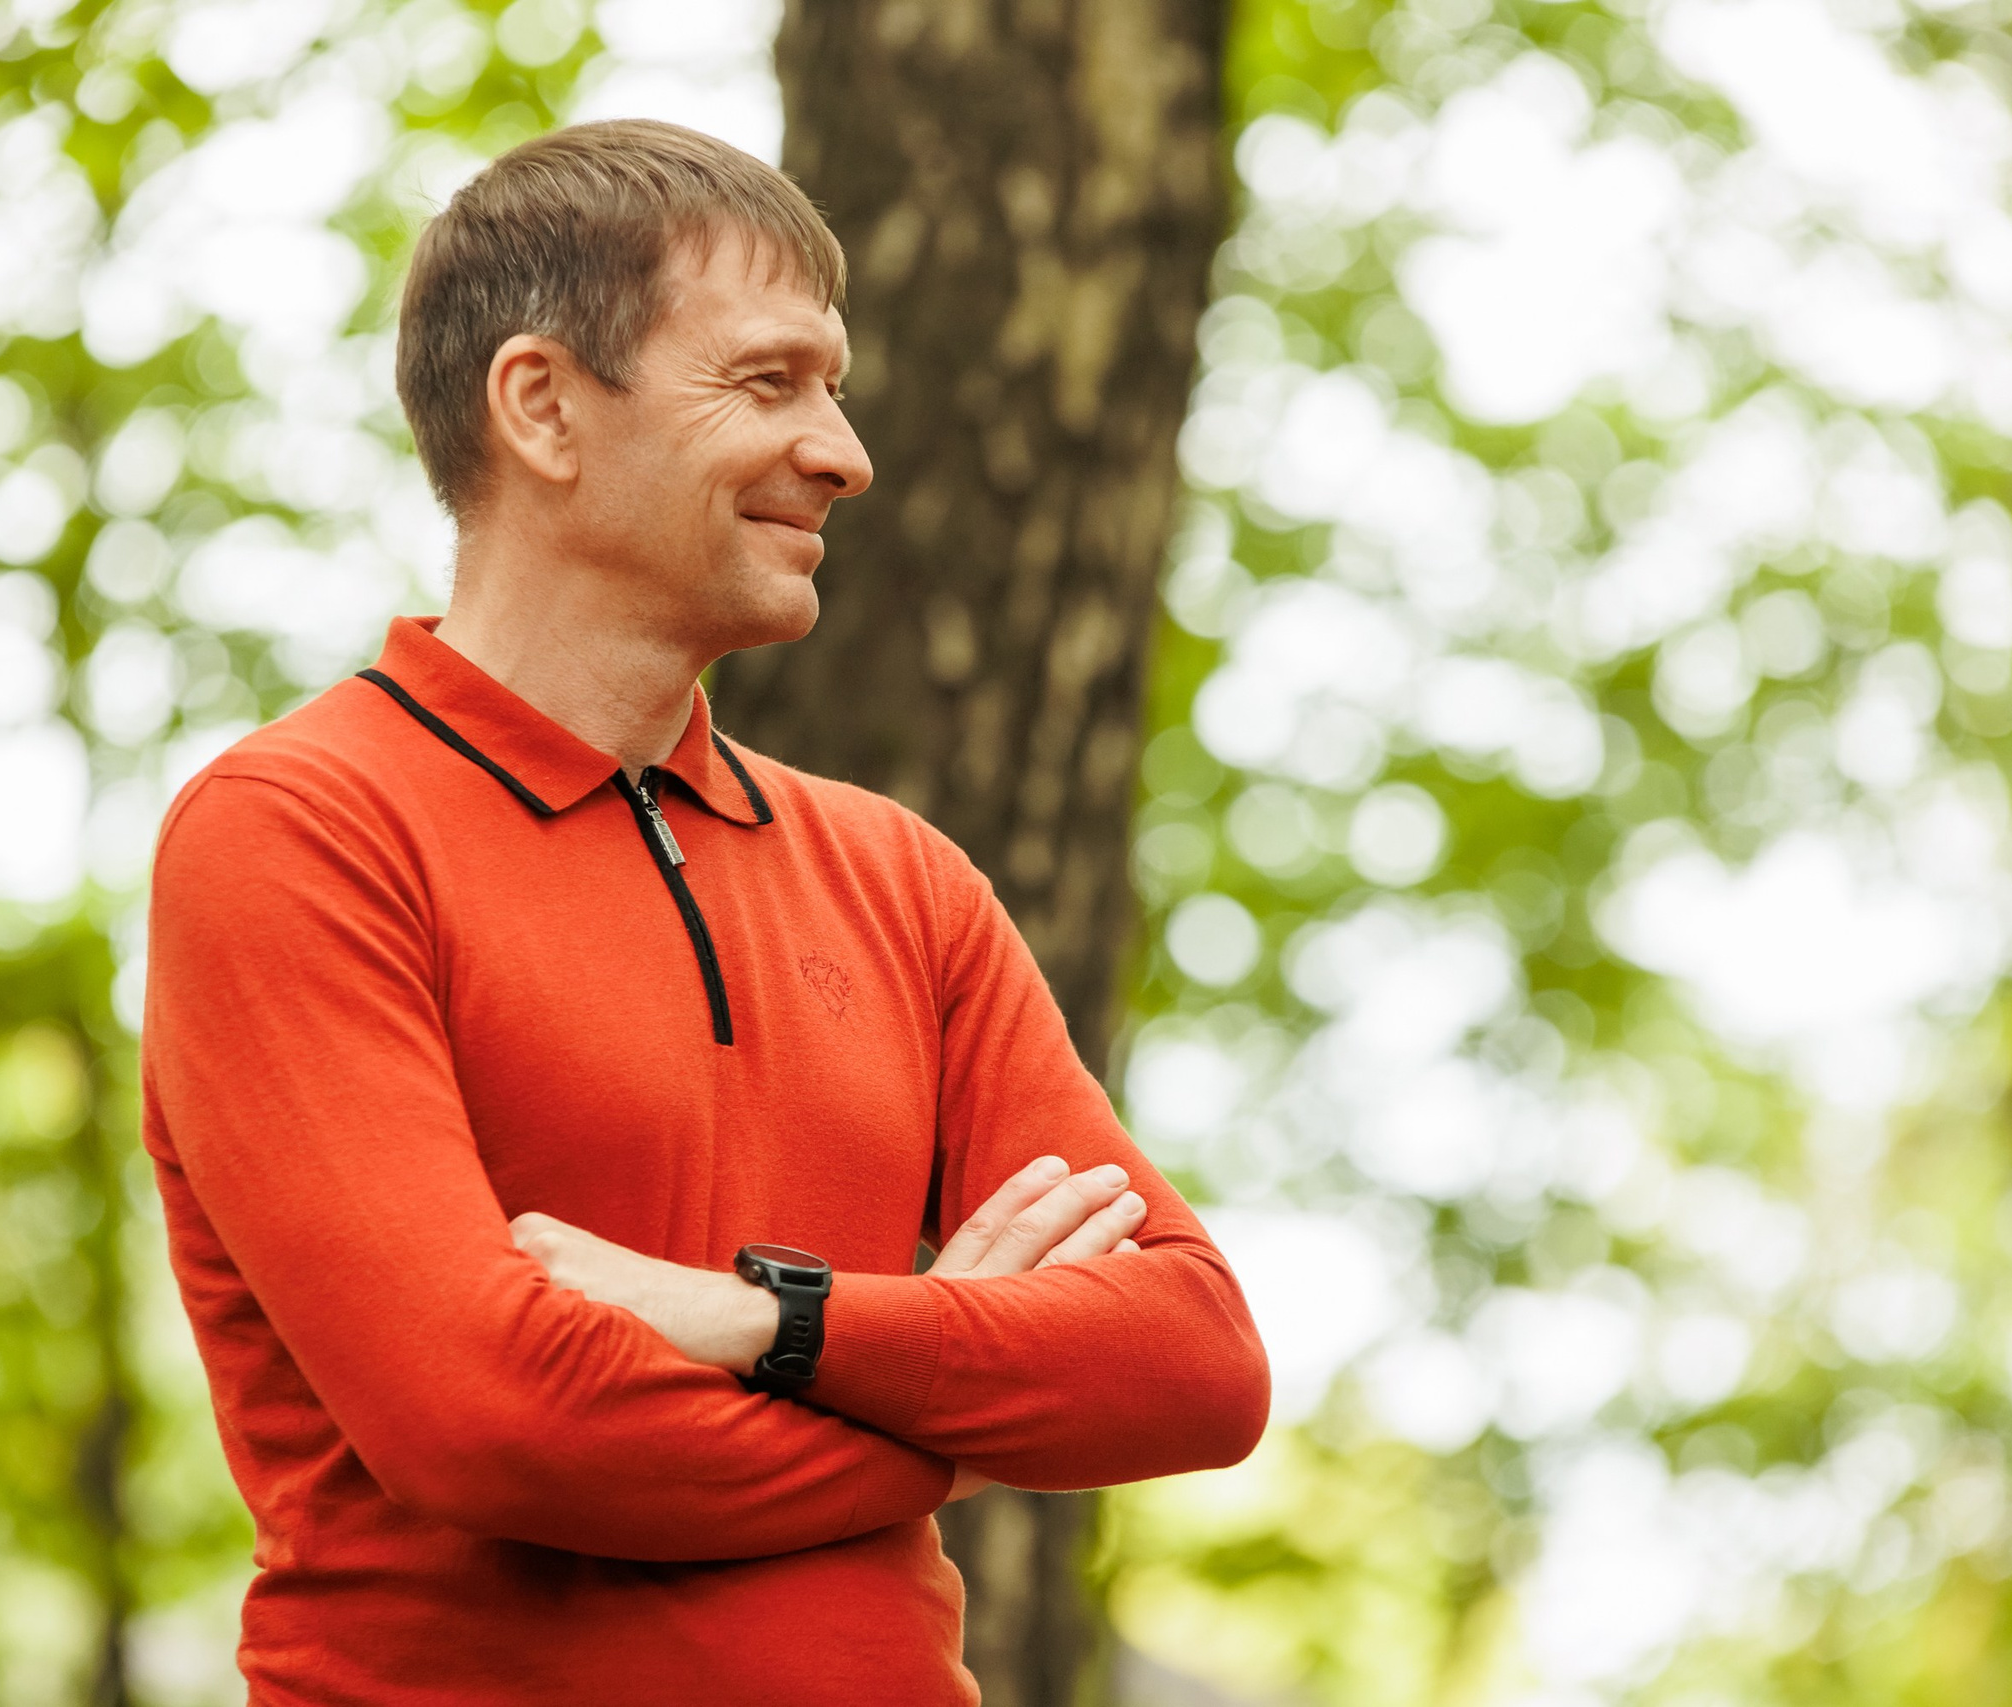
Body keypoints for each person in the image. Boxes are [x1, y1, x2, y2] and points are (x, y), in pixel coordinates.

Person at [141, 117, 1270, 1705]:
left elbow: (1191, 1365)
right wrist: (946, 1407)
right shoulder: (299, 833)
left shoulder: (899, 877)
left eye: (837, 385)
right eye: (767, 382)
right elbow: (494, 1419)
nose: (845, 450)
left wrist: (765, 1323)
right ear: (541, 405)